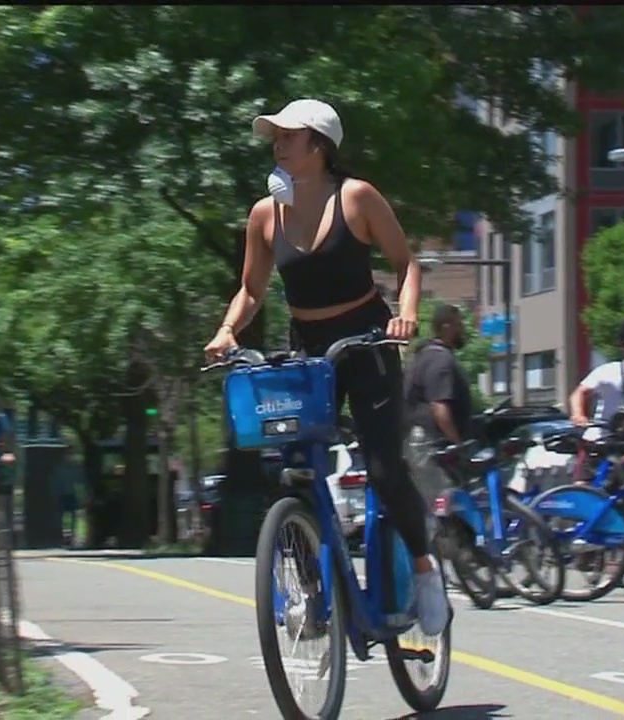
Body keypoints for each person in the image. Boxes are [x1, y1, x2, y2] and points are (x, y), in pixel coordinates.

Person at [203, 98, 449, 635]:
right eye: (275, 135)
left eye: (288, 135)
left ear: (318, 145)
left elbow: (406, 265)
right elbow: (251, 288)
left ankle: (426, 570)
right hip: (308, 345)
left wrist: (405, 317)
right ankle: (311, 591)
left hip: (365, 341)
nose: (277, 143)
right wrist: (227, 331)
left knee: (384, 469)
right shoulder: (265, 214)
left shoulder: (356, 197)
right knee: (294, 472)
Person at [567, 318, 624, 481]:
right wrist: (578, 414)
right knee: (583, 490)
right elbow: (579, 393)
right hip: (600, 442)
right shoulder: (608, 371)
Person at [403, 304, 475, 498]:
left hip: (421, 441)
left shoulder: (422, 356)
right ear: (446, 326)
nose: (462, 329)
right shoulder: (440, 360)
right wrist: (458, 445)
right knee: (445, 502)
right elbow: (439, 407)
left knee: (435, 503)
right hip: (431, 443)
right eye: (459, 324)